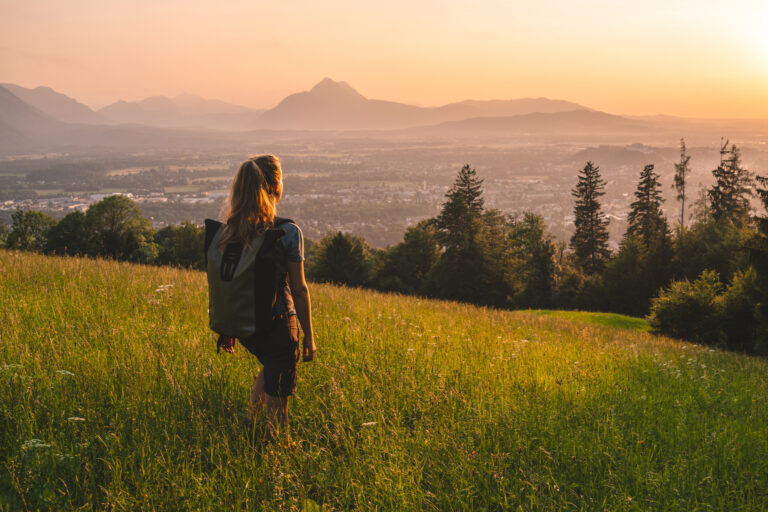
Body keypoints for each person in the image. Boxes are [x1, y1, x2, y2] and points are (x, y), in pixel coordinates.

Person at [217, 154, 316, 438]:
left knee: (270, 365)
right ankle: (277, 449)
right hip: (278, 323)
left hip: (249, 327)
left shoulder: (233, 229)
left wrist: (230, 326)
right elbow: (298, 289)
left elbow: (230, 281)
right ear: (274, 185)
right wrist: (309, 336)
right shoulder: (286, 231)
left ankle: (250, 424)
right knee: (279, 405)